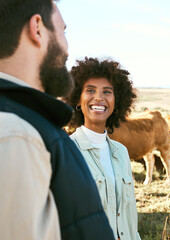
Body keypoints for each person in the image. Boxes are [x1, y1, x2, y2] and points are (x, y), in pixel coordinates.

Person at [0, 1, 114, 239]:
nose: (67, 47)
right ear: (38, 28)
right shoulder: (16, 134)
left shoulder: (27, 123)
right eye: (63, 30)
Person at [66, 57, 141, 240]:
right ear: (77, 98)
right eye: (90, 90)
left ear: (116, 102)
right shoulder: (67, 151)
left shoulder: (121, 152)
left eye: (107, 92)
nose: (99, 97)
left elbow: (130, 216)